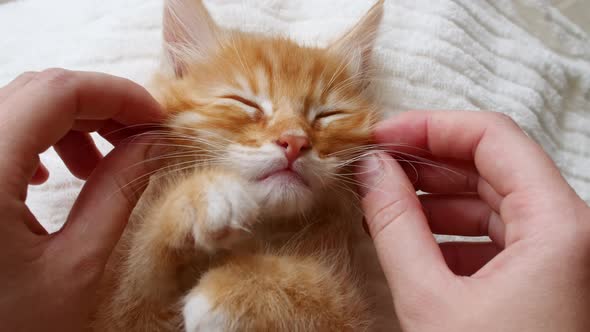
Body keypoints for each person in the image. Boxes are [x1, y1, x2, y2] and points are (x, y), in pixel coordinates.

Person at [0, 69, 588, 332]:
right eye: (243, 104)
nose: (293, 137)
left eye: (326, 115)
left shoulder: (336, 235)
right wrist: (164, 241)